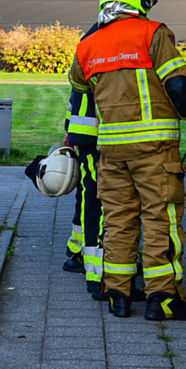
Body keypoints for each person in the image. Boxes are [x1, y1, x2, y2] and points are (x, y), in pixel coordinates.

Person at [68, 0, 186, 320]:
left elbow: (81, 87)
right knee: (161, 219)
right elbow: (178, 86)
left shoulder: (87, 45)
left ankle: (118, 293)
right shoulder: (153, 34)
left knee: (118, 220)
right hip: (154, 149)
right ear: (139, 0)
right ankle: (164, 298)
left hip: (112, 152)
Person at [62, 27, 104, 295]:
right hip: (99, 138)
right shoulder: (107, 46)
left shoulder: (87, 45)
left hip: (84, 136)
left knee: (88, 195)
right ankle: (94, 265)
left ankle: (77, 251)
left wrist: (69, 130)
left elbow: (74, 97)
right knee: (96, 200)